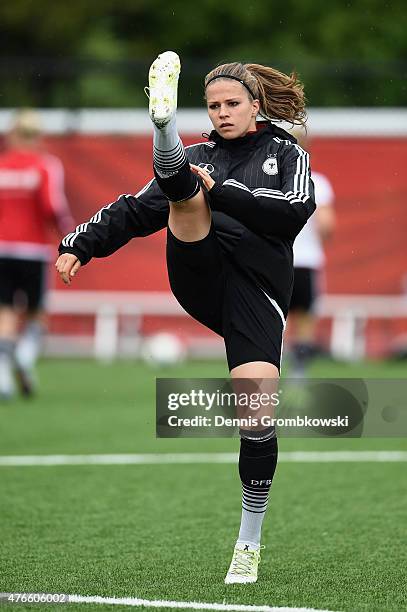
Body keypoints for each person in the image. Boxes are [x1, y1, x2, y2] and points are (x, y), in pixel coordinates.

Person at [56, 52, 315, 584]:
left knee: (255, 417)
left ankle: (248, 542)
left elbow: (291, 210)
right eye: (213, 105)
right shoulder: (204, 157)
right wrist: (82, 242)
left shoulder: (285, 152)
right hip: (199, 270)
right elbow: (135, 208)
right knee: (183, 190)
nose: (222, 113)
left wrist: (226, 192)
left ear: (256, 104)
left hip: (257, 290)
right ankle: (163, 129)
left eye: (232, 104)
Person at [0, 109, 74, 398]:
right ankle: (25, 356)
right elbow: (52, 206)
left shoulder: (2, 166)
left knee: (5, 313)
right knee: (36, 314)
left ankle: (4, 374)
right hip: (33, 252)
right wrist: (70, 236)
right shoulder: (45, 165)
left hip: (2, 251)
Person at [288, 129, 335, 375]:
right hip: (306, 261)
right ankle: (299, 374)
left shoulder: (270, 179)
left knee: (272, 320)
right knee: (305, 319)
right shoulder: (317, 182)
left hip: (276, 260)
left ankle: (266, 372)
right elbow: (326, 226)